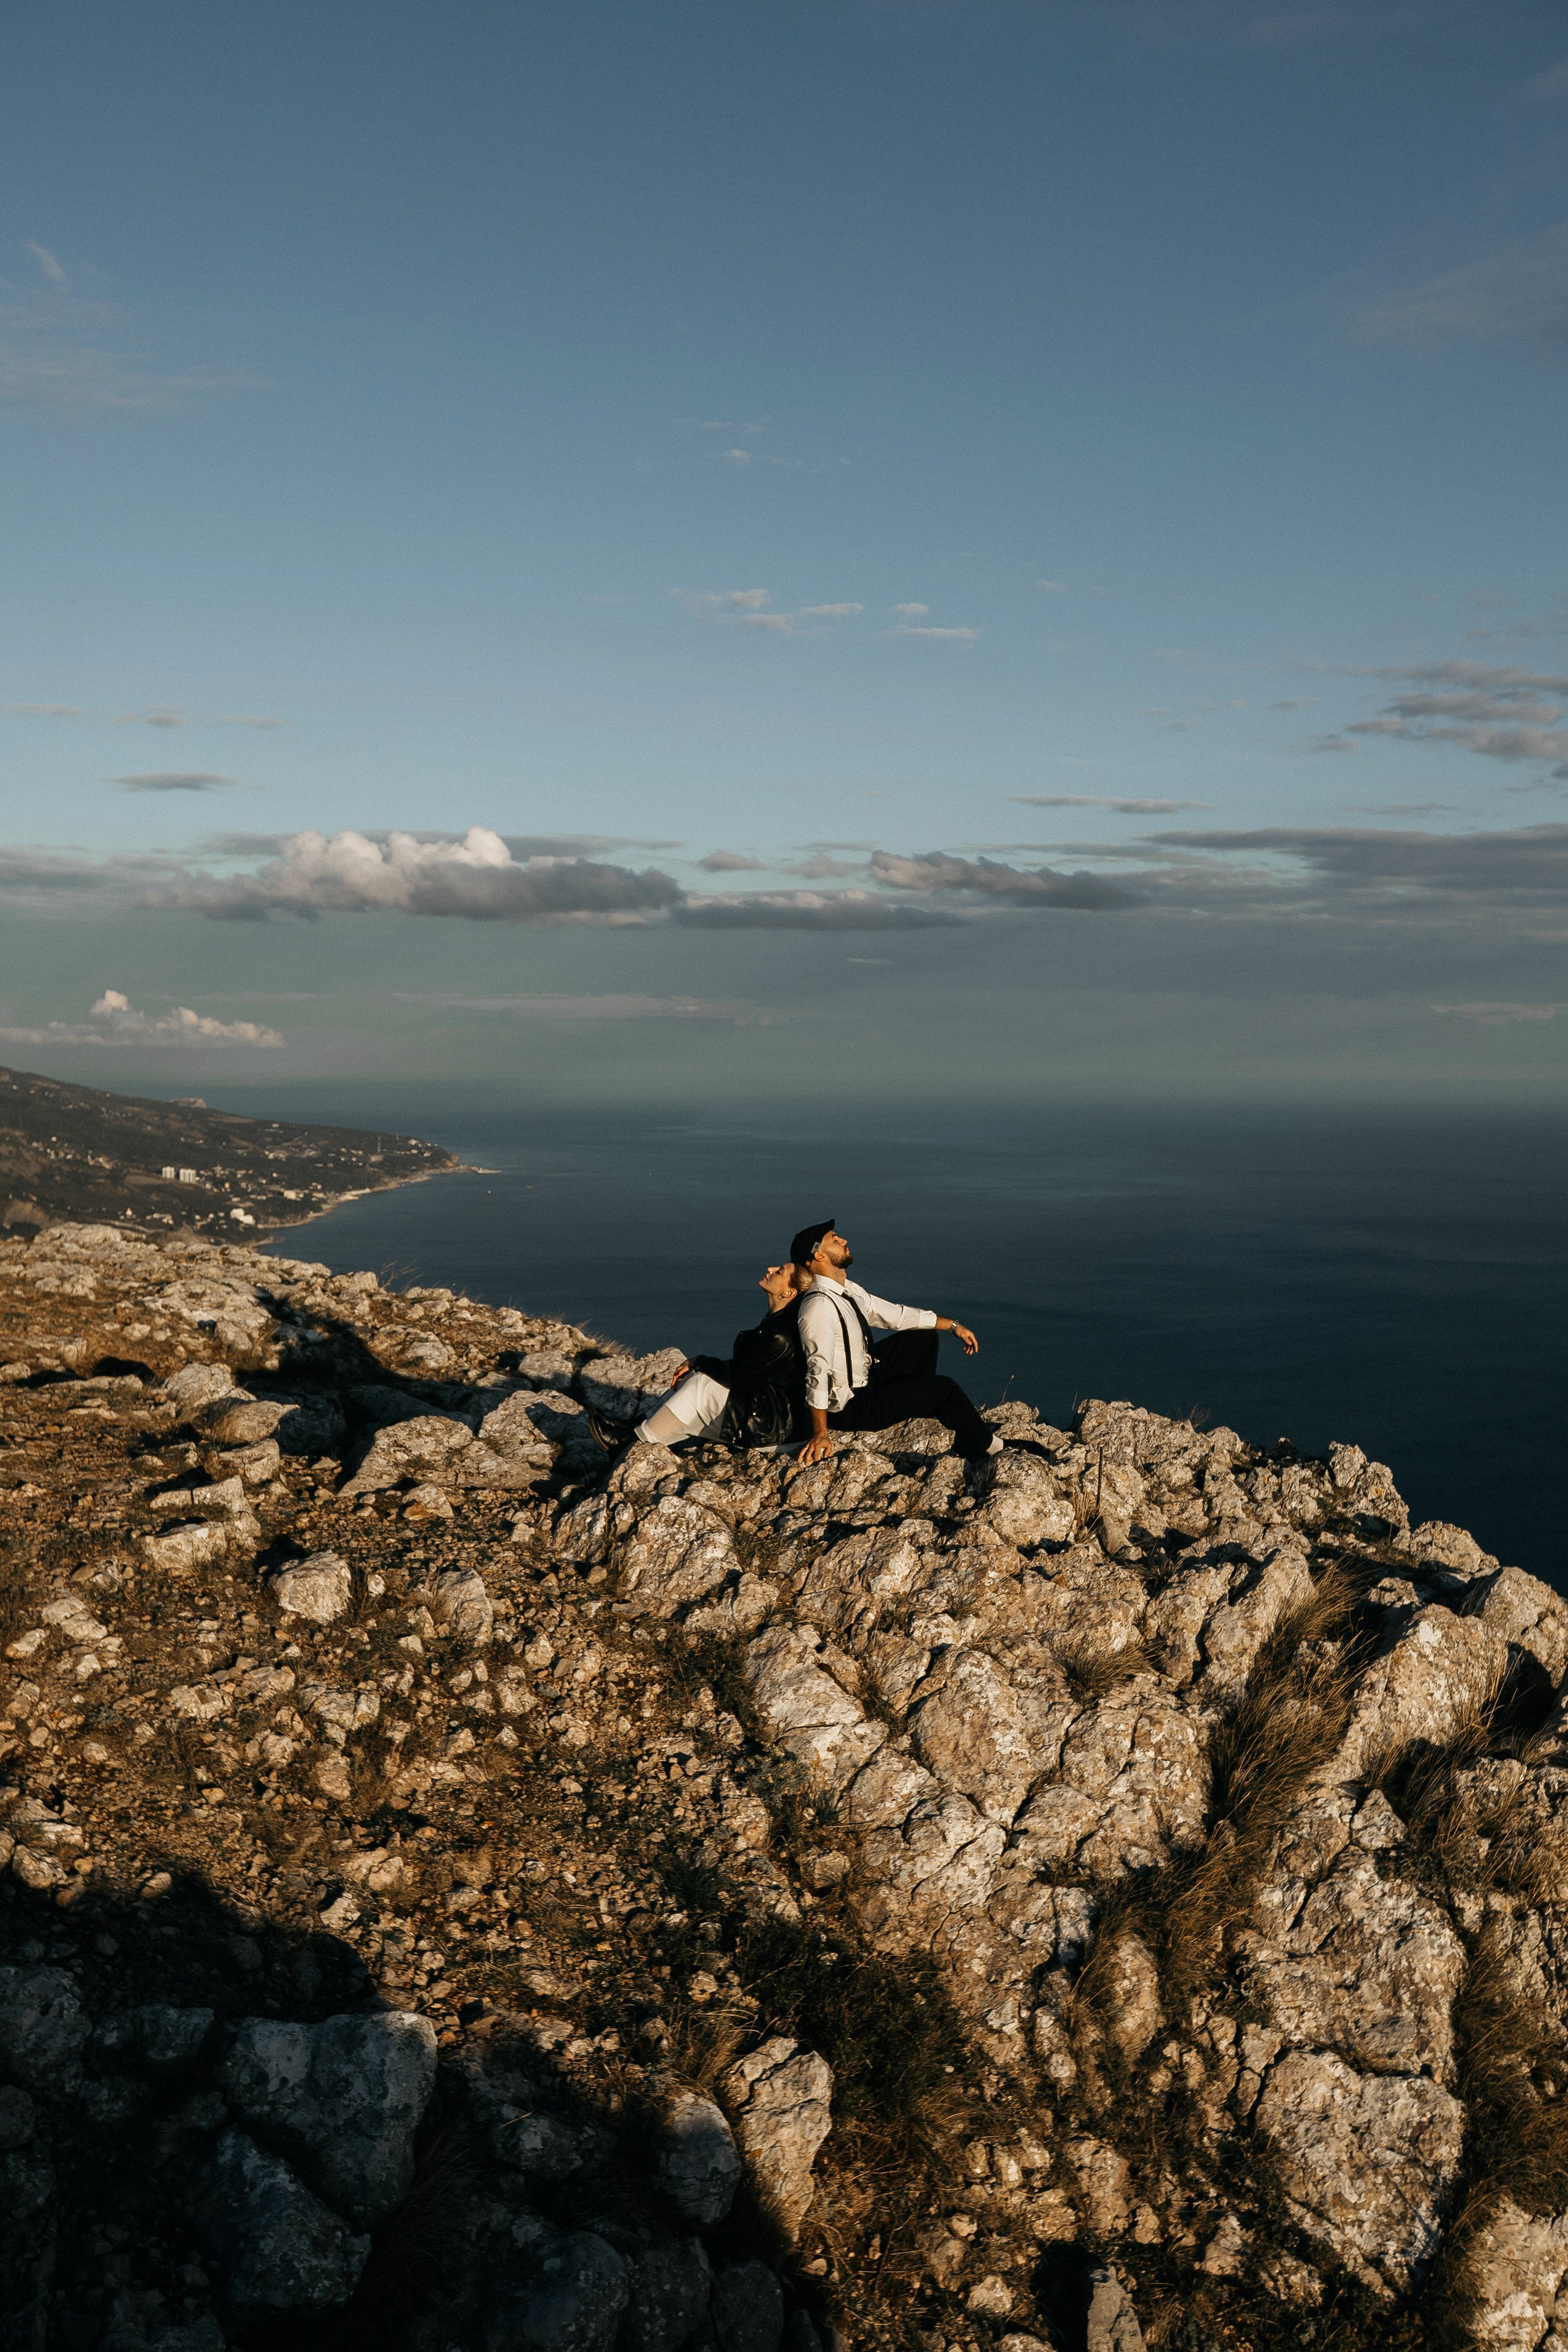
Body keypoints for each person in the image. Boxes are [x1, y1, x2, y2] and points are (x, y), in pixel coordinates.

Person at [791, 1218, 1001, 1466]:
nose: (844, 1241)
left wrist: (953, 1326)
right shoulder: (819, 1306)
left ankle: (915, 1406)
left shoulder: (845, 1289)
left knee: (923, 1337)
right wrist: (820, 1434)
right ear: (819, 1257)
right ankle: (992, 1447)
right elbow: (818, 1370)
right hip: (853, 1407)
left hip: (868, 1377)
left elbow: (896, 1316)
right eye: (834, 1240)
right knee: (944, 1388)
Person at [588, 1261, 809, 1453]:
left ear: (789, 1293)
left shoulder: (781, 1334)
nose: (771, 1269)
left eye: (780, 1272)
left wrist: (700, 1362)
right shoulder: (775, 1322)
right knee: (696, 1376)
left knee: (701, 1384)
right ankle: (635, 1429)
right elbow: (751, 1369)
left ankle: (633, 1441)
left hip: (772, 1426)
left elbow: (743, 1377)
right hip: (768, 1413)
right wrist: (698, 1365)